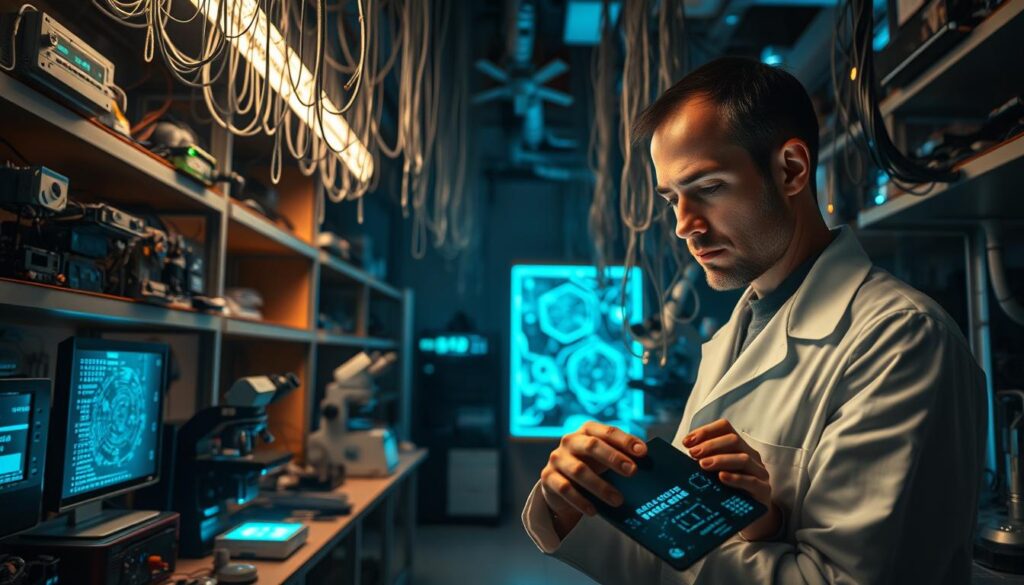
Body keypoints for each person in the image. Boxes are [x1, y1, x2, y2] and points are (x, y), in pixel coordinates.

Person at [521, 57, 987, 584]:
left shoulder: (900, 340)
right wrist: (575, 505)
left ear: (791, 169)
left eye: (708, 187)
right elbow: (685, 535)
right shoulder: (733, 337)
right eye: (673, 199)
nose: (684, 225)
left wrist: (749, 528)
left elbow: (832, 579)